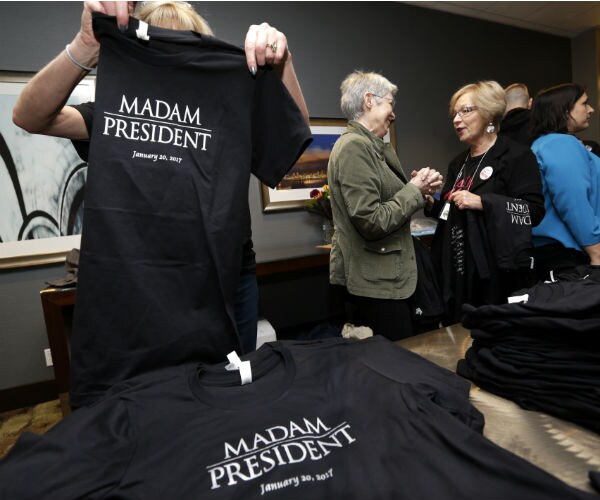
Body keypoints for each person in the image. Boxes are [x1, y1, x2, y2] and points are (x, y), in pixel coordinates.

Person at [13, 1, 311, 407]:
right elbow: (29, 116)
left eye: (185, 47)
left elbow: (292, 139)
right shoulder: (112, 111)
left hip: (225, 279)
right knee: (149, 404)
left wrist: (283, 63)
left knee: (227, 399)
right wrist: (85, 45)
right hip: (141, 282)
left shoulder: (227, 109)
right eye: (159, 45)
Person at [327, 71, 443, 340]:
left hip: (386, 279)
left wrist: (418, 187)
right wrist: (414, 190)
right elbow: (371, 220)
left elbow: (384, 201)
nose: (394, 114)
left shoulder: (371, 146)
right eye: (390, 103)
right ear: (369, 100)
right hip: (377, 285)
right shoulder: (355, 147)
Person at [426, 80, 545, 325]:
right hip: (459, 271)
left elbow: (532, 213)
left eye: (465, 111)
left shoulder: (516, 155)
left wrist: (484, 202)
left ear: (489, 113)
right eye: (454, 114)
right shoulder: (458, 163)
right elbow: (450, 212)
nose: (456, 120)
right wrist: (430, 203)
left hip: (498, 272)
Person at [529, 83, 600, 279]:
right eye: (584, 103)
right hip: (570, 256)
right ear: (564, 109)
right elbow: (573, 201)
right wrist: (596, 251)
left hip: (562, 254)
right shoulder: (560, 143)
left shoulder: (545, 144)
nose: (591, 110)